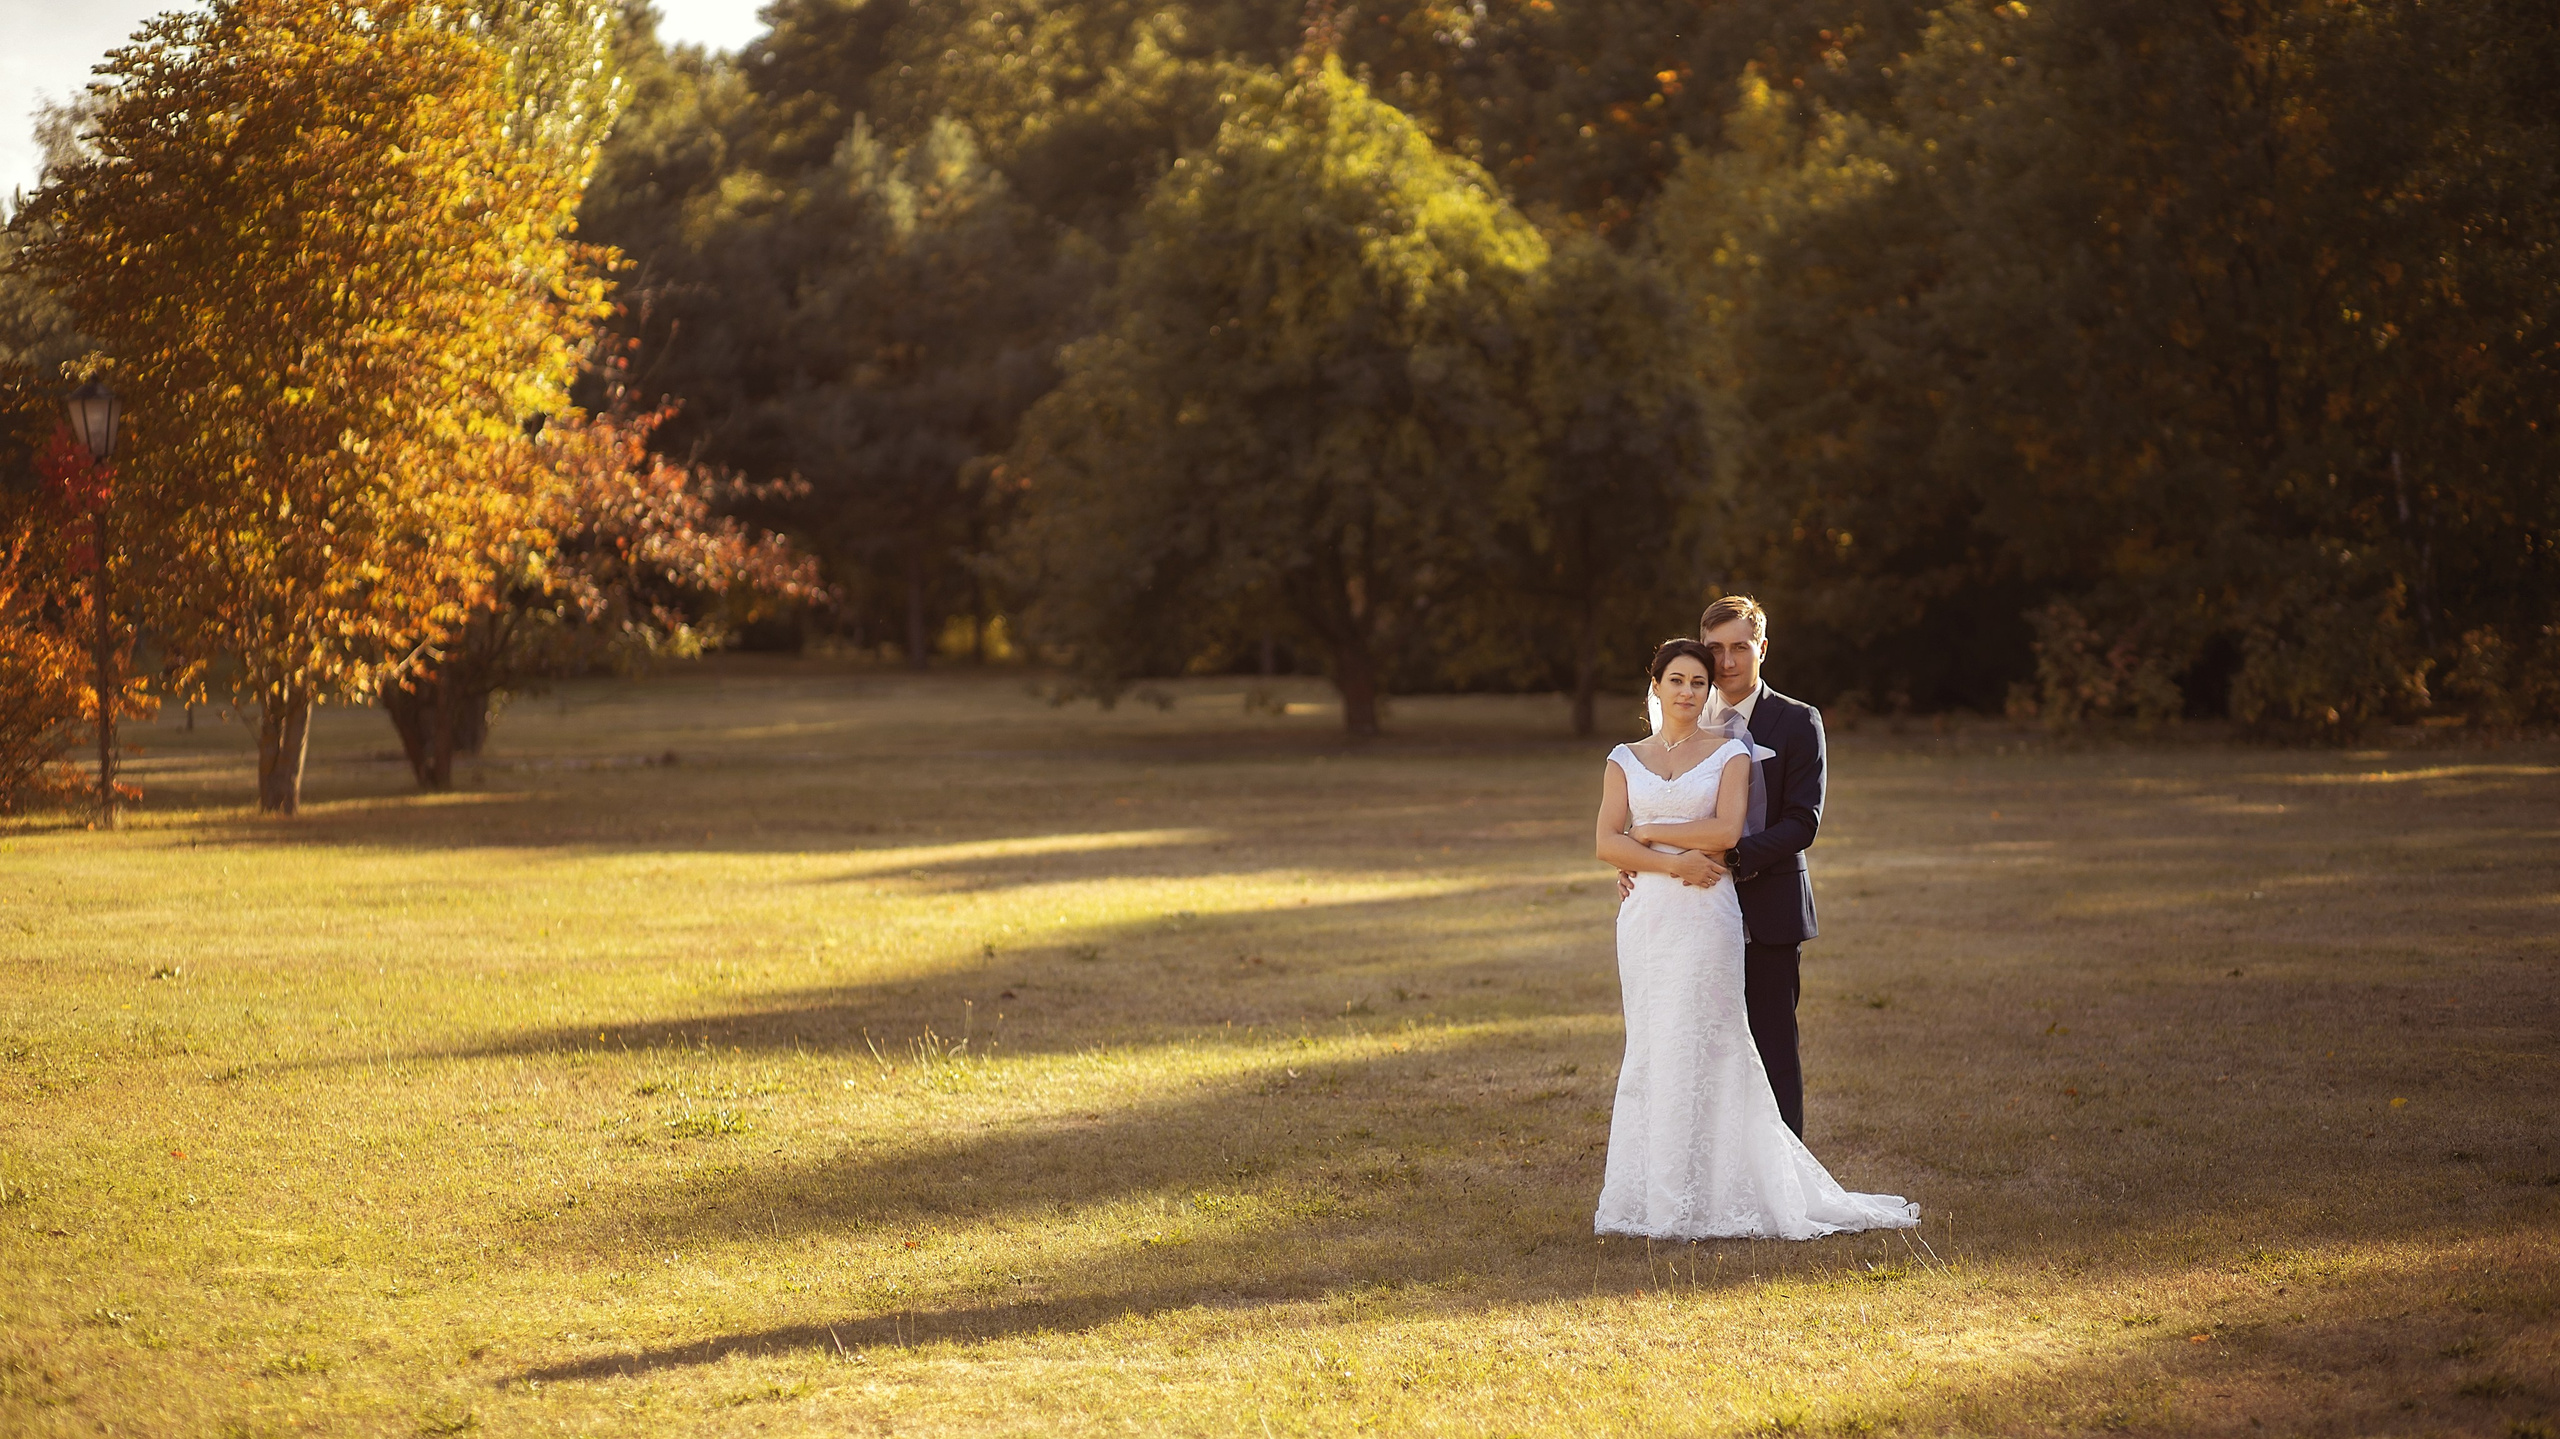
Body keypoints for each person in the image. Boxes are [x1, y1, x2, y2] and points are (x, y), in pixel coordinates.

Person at [1590, 637, 1915, 1239]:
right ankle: (1653, 1195)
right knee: (1653, 1045)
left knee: (1710, 1044)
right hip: (1647, 919)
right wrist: (1666, 861)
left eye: (1697, 683)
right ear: (1655, 686)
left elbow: (1724, 830)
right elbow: (1608, 842)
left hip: (1704, 910)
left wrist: (1652, 834)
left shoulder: (1730, 751)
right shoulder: (1623, 756)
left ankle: (1726, 1191)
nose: (1688, 692)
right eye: (1677, 681)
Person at [1619, 595, 1823, 1136]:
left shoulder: (1798, 720)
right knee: (1700, 1044)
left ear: (1762, 647)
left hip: (1769, 903)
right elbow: (1656, 803)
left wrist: (1730, 857)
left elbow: (1803, 822)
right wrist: (1645, 861)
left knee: (1772, 1044)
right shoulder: (1686, 714)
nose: (1728, 661)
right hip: (1692, 911)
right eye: (1716, 649)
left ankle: (1785, 1178)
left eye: (1739, 647)